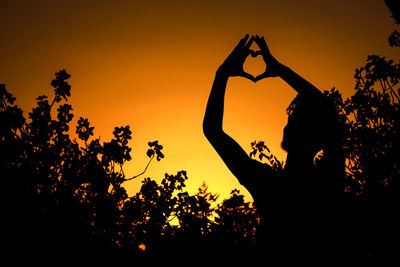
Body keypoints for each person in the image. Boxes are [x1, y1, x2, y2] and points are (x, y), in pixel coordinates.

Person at [203, 34, 344, 265]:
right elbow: (325, 107)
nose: (287, 123)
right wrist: (279, 70)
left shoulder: (269, 184)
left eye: (294, 119)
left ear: (302, 133)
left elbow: (212, 130)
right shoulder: (328, 178)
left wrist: (222, 74)